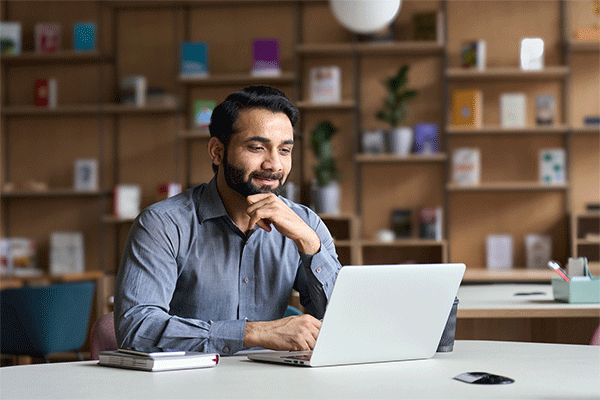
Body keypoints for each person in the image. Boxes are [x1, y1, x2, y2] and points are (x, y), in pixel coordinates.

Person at [114, 85, 343, 355]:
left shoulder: (306, 224)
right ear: (217, 151)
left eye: (284, 150)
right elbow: (136, 329)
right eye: (257, 147)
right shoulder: (162, 225)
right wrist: (252, 333)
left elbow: (346, 325)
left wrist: (310, 245)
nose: (274, 165)